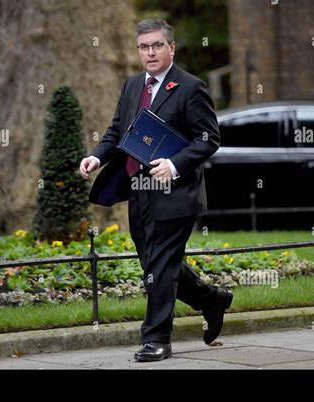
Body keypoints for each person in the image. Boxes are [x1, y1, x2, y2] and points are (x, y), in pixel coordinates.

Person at [79, 19, 233, 362]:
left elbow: (209, 139)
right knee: (156, 263)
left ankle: (156, 339)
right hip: (139, 191)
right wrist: (96, 157)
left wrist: (175, 164)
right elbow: (118, 130)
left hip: (177, 193)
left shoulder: (191, 87)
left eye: (156, 45)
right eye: (144, 47)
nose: (150, 52)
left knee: (161, 266)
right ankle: (212, 299)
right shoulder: (133, 85)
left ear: (171, 48)